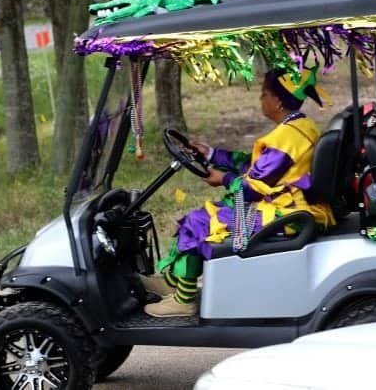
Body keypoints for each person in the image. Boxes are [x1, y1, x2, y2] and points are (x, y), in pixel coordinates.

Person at [141, 68, 335, 317]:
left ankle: (183, 300)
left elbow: (252, 188)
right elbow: (254, 166)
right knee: (205, 216)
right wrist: (210, 154)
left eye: (264, 94)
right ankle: (172, 279)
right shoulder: (298, 126)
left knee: (198, 221)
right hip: (284, 206)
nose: (260, 99)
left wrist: (223, 178)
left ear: (276, 101)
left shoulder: (286, 138)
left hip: (285, 215)